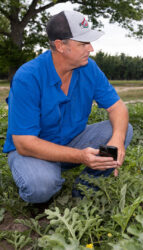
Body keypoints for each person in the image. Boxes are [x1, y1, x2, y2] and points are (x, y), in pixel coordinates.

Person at [3, 10, 133, 204]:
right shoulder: (28, 76)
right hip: (32, 151)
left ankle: (85, 187)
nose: (91, 49)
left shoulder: (89, 68)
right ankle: (45, 177)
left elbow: (117, 108)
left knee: (123, 130)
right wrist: (81, 156)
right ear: (60, 46)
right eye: (83, 44)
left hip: (72, 141)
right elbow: (24, 142)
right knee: (40, 186)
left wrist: (116, 140)